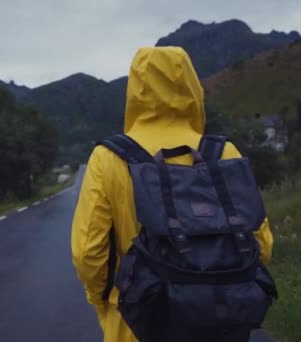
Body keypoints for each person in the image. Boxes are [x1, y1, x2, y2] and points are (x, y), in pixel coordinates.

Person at [71, 46, 273, 342]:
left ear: (135, 91)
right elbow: (261, 244)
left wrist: (105, 301)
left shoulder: (108, 158)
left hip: (136, 324)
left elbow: (88, 253)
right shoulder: (225, 152)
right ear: (192, 86)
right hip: (220, 324)